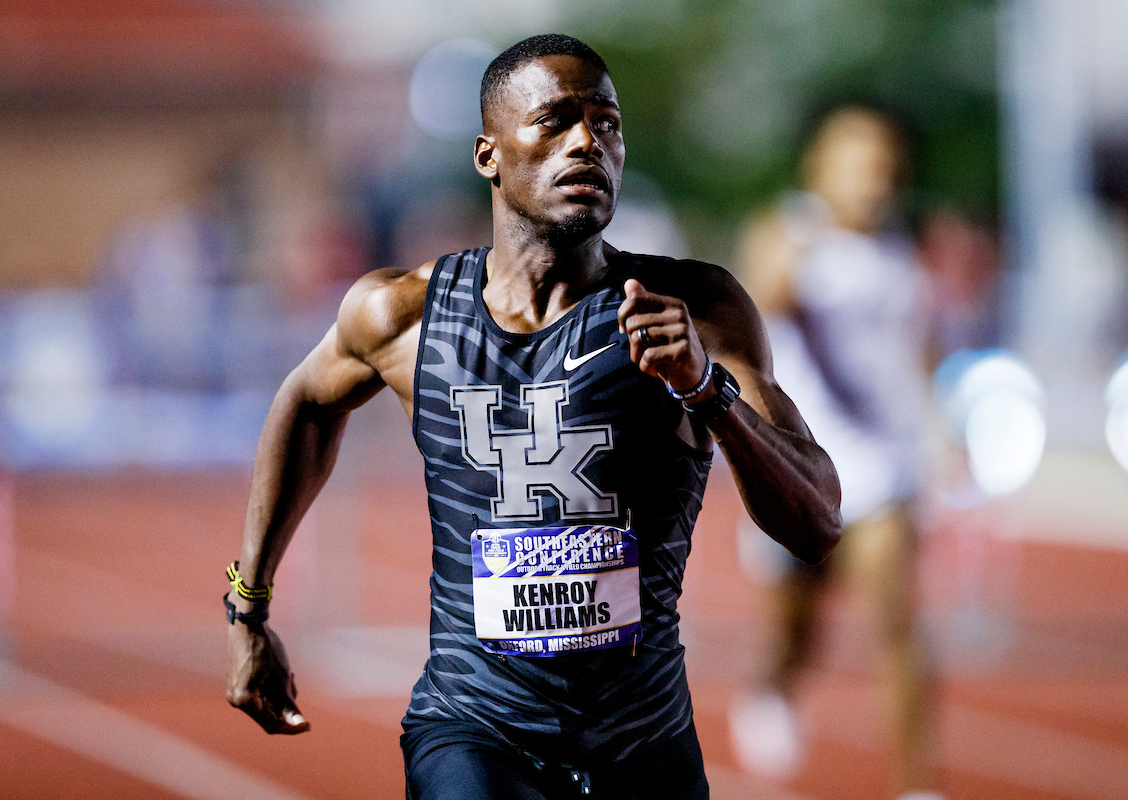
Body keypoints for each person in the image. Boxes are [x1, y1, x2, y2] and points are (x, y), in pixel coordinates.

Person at [223, 34, 842, 800]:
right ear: (489, 155)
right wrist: (248, 610)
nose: (588, 141)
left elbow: (818, 521)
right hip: (473, 732)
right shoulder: (403, 316)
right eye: (554, 120)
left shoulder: (697, 310)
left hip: (641, 738)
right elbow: (305, 404)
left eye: (607, 123)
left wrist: (705, 388)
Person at [730, 107, 940, 800]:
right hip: (795, 468)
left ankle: (917, 788)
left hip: (881, 468)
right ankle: (774, 683)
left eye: (882, 165)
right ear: (819, 166)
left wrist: (942, 428)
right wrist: (790, 273)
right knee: (797, 629)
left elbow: (916, 353)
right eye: (856, 163)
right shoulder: (785, 233)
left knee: (897, 624)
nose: (872, 180)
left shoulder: (901, 254)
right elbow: (751, 308)